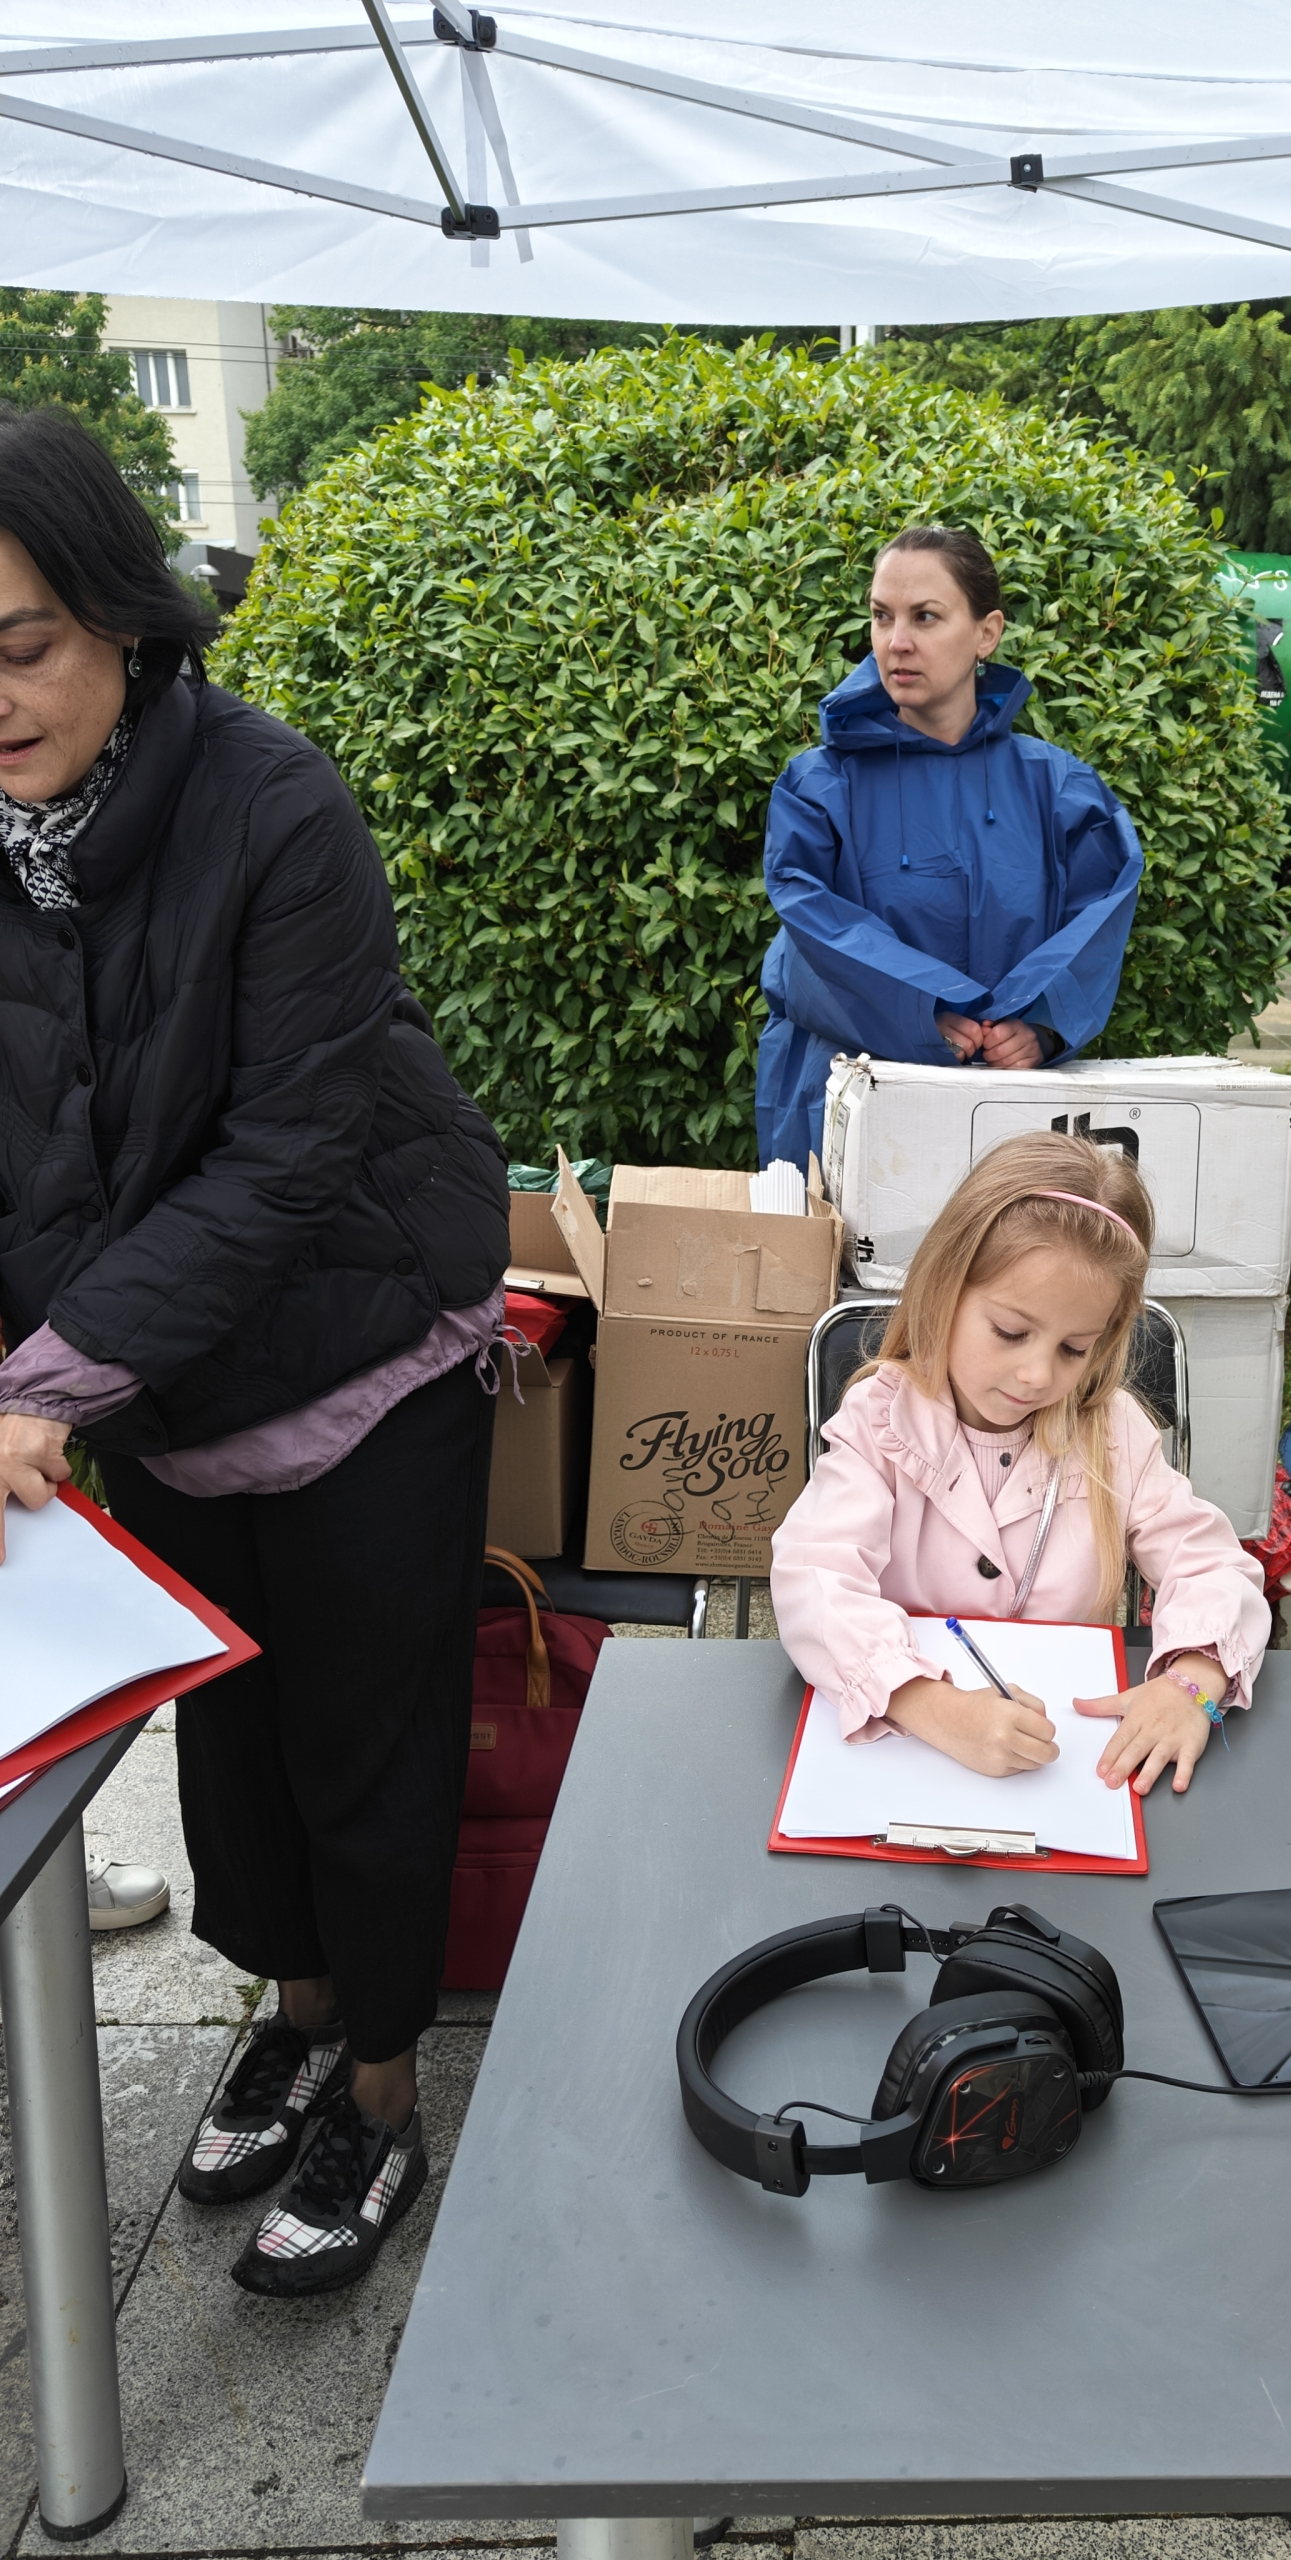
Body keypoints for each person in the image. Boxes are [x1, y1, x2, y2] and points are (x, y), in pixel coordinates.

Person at [0, 405, 509, 2298]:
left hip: (364, 1342)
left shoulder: (276, 804)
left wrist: (44, 1382)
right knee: (231, 1744)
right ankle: (295, 2019)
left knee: (364, 1746)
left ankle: (381, 2093)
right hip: (156, 1381)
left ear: (124, 622)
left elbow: (289, 1151)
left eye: (22, 645)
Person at [770, 1132, 1269, 1795]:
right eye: (1010, 1332)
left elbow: (1210, 1566)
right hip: (905, 1755)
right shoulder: (879, 1420)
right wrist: (928, 1705)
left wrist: (1191, 1684)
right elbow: (814, 1576)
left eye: (1074, 1349)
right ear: (944, 1290)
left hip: (1072, 1765)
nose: (1037, 1374)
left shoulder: (1114, 1434)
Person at [755, 526, 1144, 1170]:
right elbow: (812, 941)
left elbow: (1096, 920)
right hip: (844, 1103)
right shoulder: (818, 788)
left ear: (986, 633)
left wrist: (1041, 1026)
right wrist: (921, 1015)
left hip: (1008, 1105)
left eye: (925, 617)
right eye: (882, 616)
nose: (896, 642)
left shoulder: (1058, 789)